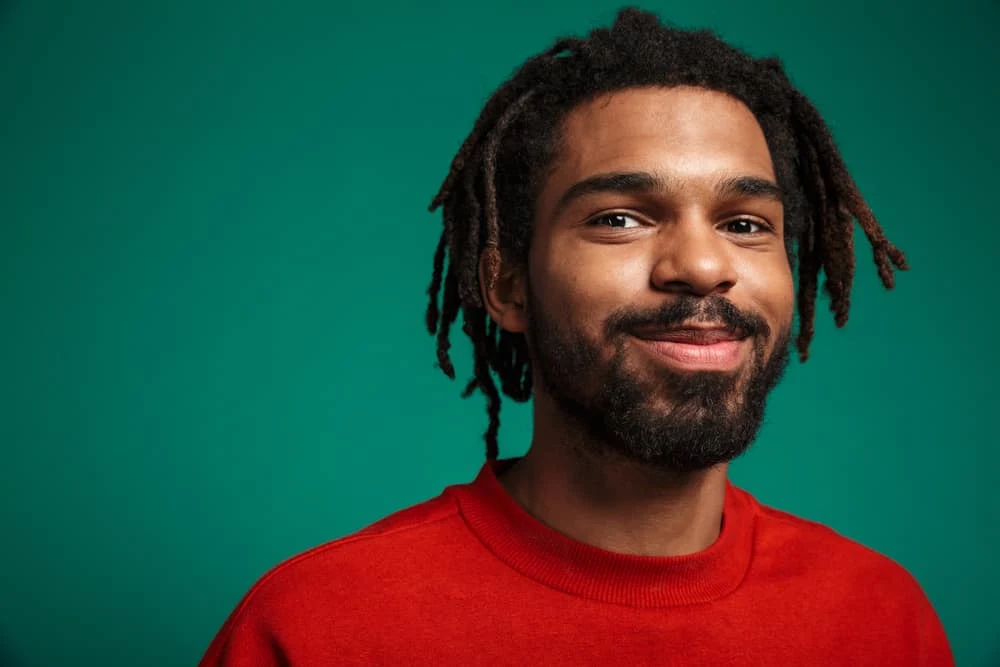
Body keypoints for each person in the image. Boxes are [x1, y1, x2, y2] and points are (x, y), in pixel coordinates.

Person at [199, 8, 953, 665]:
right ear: (507, 286)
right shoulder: (316, 628)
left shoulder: (884, 618)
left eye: (745, 224)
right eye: (619, 217)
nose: (700, 265)